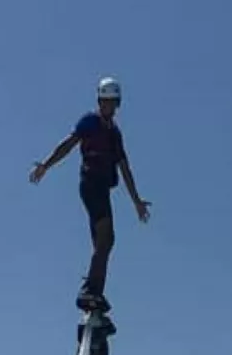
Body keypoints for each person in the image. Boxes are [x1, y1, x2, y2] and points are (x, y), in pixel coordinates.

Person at [29, 76, 151, 314]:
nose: (110, 107)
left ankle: (95, 292)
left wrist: (136, 200)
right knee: (106, 236)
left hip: (103, 188)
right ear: (99, 101)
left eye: (113, 103)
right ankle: (89, 290)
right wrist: (46, 165)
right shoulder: (90, 122)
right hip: (90, 184)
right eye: (106, 102)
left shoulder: (114, 134)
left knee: (104, 242)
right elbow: (69, 143)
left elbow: (125, 168)